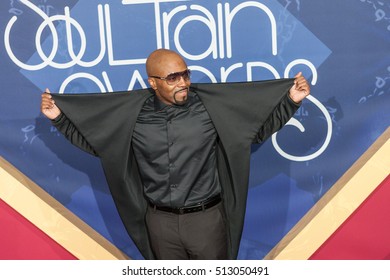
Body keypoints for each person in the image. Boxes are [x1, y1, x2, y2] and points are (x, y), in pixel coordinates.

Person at [41, 48, 310, 260]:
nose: (183, 82)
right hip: (160, 224)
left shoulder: (210, 109)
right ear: (153, 82)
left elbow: (254, 132)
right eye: (172, 78)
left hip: (207, 222)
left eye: (185, 74)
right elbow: (103, 147)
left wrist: (291, 101)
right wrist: (58, 119)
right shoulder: (134, 117)